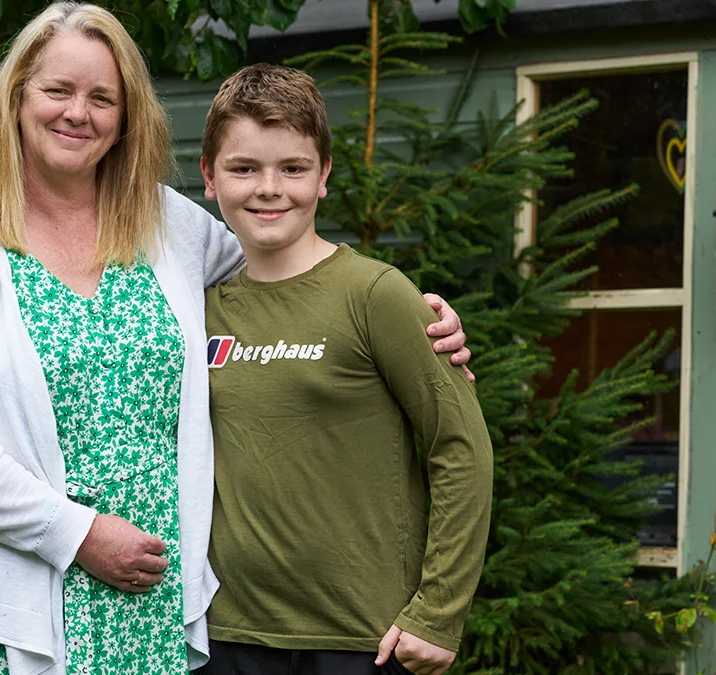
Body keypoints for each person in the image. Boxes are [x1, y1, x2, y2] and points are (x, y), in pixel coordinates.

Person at [0, 4, 471, 675]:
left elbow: (283, 274)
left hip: (148, 611)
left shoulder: (166, 224)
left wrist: (421, 321)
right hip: (0, 614)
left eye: (102, 97)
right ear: (16, 98)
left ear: (127, 114)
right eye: (57, 90)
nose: (78, 112)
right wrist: (75, 533)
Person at [198, 64, 494, 675]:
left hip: (362, 639)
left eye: (293, 168)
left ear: (324, 175)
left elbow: (460, 447)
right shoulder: (194, 306)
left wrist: (438, 613)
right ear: (209, 177)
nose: (269, 188)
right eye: (244, 168)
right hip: (229, 632)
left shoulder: (375, 295)